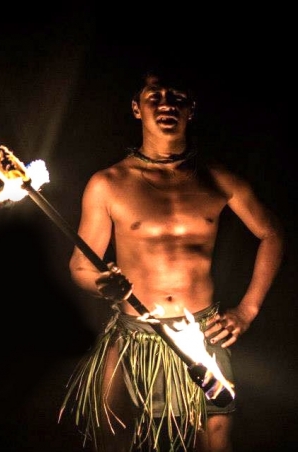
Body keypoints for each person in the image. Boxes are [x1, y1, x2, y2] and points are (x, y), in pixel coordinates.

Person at [59, 65, 284, 451]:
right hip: (134, 337)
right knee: (113, 436)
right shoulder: (109, 183)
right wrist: (104, 285)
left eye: (177, 97)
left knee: (213, 441)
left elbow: (272, 234)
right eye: (154, 95)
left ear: (190, 109)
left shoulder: (217, 179)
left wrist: (246, 311)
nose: (166, 104)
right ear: (136, 107)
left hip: (202, 334)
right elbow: (80, 266)